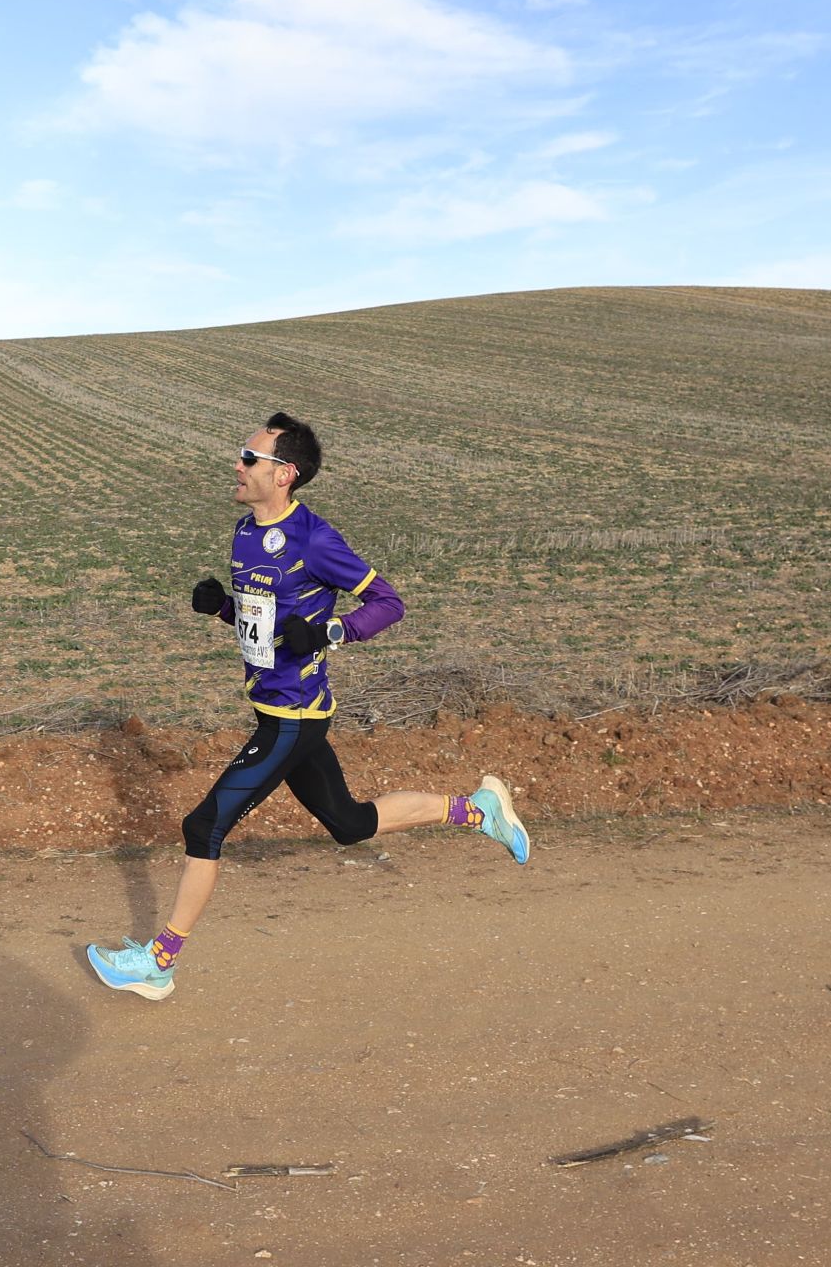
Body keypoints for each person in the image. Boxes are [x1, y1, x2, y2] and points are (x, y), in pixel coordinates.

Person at [87, 412, 531, 1001]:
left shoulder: (316, 539)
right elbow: (265, 619)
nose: (238, 465)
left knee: (203, 826)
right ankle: (477, 811)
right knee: (348, 824)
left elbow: (388, 602)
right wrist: (222, 608)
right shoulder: (245, 532)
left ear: (285, 474)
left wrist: (330, 633)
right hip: (272, 706)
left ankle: (159, 964)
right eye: (241, 454)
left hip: (296, 715)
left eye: (250, 458)